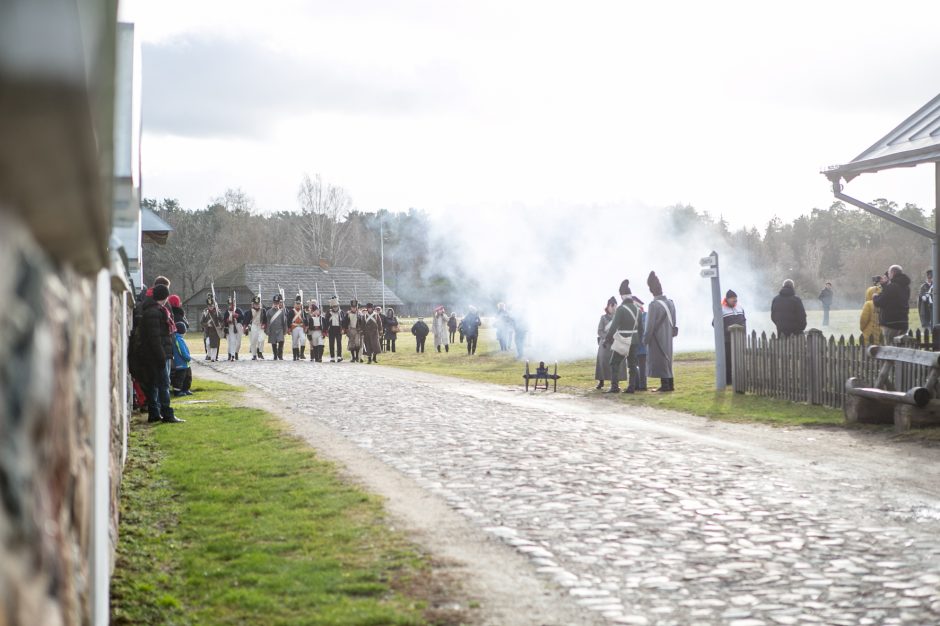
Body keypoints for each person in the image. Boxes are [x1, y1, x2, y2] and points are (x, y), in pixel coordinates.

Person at [140, 284, 183, 423]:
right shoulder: (154, 312)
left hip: (154, 354)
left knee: (154, 385)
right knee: (163, 384)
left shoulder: (153, 310)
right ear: (165, 297)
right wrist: (161, 356)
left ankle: (154, 413)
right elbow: (155, 338)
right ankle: (167, 413)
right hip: (158, 355)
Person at [603, 280, 642, 393]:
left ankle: (615, 387)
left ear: (622, 296)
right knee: (632, 365)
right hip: (634, 340)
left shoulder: (621, 309)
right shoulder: (638, 310)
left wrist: (608, 339)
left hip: (623, 340)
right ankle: (631, 387)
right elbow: (641, 329)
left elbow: (614, 327)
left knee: (614, 363)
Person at [643, 271, 677, 392]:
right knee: (667, 359)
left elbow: (649, 326)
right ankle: (670, 384)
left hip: (657, 338)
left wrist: (645, 340)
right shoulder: (671, 303)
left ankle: (665, 386)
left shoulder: (653, 305)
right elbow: (674, 323)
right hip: (668, 337)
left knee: (661, 360)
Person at [874, 264, 912, 344]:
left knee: (890, 349)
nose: (888, 275)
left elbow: (880, 302)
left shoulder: (891, 287)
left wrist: (875, 297)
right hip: (903, 322)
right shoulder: (906, 287)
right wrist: (885, 286)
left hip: (891, 323)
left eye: (889, 273)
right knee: (902, 348)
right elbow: (894, 298)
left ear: (893, 273)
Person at [594, 296, 626, 391]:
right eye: (611, 306)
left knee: (617, 363)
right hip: (605, 343)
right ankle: (601, 381)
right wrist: (607, 337)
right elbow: (600, 331)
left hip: (616, 342)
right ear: (608, 306)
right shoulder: (603, 318)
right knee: (602, 362)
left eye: (614, 306)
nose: (613, 308)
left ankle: (616, 382)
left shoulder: (619, 317)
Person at [720, 290, 747, 385]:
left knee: (740, 359)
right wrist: (726, 330)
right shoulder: (721, 309)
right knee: (728, 360)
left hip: (739, 338)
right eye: (733, 299)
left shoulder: (740, 307)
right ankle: (728, 380)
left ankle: (740, 378)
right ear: (727, 299)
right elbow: (715, 324)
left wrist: (744, 334)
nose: (735, 301)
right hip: (727, 340)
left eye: (736, 299)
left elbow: (744, 321)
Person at [171, 321, 193, 397]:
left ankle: (185, 389)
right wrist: (187, 357)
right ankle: (177, 391)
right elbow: (182, 351)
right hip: (181, 363)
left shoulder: (179, 338)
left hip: (185, 363)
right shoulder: (178, 339)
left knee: (188, 377)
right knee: (180, 378)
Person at [201, 294, 224, 362]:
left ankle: (213, 358)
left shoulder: (217, 312)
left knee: (215, 344)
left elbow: (222, 320)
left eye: (211, 305)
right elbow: (202, 322)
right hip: (207, 331)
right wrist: (207, 324)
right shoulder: (205, 312)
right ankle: (209, 355)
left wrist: (221, 326)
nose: (210, 307)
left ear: (213, 305)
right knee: (208, 343)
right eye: (209, 306)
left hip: (215, 331)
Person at [266, 293, 288, 360]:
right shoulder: (269, 312)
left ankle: (280, 355)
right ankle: (275, 355)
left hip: (280, 329)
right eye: (275, 302)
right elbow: (267, 322)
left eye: (277, 303)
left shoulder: (282, 312)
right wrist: (267, 330)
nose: (276, 304)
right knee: (274, 343)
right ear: (273, 303)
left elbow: (284, 322)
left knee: (281, 342)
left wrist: (285, 330)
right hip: (272, 329)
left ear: (279, 303)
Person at [244, 295, 267, 360]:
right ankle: (254, 355)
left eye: (258, 304)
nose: (257, 305)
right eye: (256, 304)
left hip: (260, 326)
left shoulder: (263, 310)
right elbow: (247, 320)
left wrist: (264, 325)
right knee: (253, 341)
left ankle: (260, 351)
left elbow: (265, 320)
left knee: (262, 339)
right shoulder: (250, 311)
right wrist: (245, 328)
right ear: (253, 304)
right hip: (253, 326)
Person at [288, 294, 309, 361]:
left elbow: (306, 320)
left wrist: (306, 327)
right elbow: (289, 320)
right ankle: (295, 356)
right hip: (294, 327)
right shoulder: (292, 311)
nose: (298, 305)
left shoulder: (303, 311)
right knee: (295, 342)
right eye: (297, 304)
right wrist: (289, 328)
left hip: (301, 327)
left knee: (303, 340)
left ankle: (301, 353)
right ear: (295, 304)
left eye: (299, 304)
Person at [324, 297, 346, 362]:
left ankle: (339, 356)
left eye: (336, 306)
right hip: (331, 329)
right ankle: (332, 357)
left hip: (339, 329)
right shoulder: (329, 312)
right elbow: (326, 322)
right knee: (331, 344)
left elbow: (344, 321)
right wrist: (326, 331)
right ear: (332, 306)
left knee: (339, 343)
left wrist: (343, 329)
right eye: (334, 306)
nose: (335, 308)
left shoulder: (341, 312)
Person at [223, 297, 245, 361]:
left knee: (238, 342)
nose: (230, 306)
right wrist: (228, 320)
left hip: (238, 326)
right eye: (229, 304)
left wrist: (237, 315)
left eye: (232, 304)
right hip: (231, 327)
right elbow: (224, 321)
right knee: (232, 342)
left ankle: (236, 352)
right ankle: (232, 355)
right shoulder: (227, 312)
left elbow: (243, 317)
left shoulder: (238, 310)